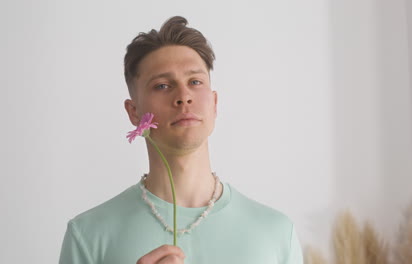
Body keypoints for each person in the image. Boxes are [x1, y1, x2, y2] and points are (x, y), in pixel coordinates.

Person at [59, 16, 303, 264]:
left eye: (195, 82)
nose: (184, 96)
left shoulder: (277, 234)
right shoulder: (88, 235)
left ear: (214, 103)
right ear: (134, 112)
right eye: (163, 86)